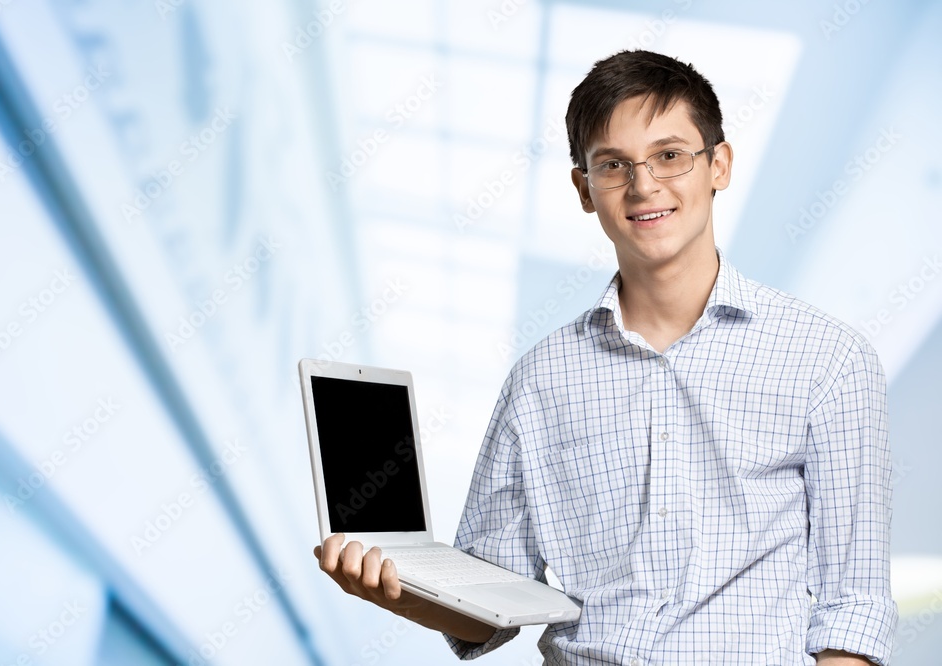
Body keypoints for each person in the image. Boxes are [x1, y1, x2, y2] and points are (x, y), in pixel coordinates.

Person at [315, 50, 897, 665]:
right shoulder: (540, 380)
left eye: (670, 156)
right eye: (614, 165)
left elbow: (853, 607)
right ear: (584, 188)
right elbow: (486, 610)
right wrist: (395, 590)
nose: (644, 185)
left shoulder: (828, 359)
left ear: (718, 165)